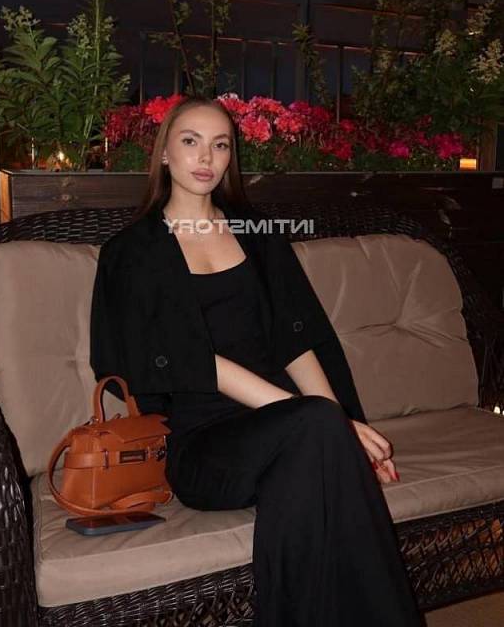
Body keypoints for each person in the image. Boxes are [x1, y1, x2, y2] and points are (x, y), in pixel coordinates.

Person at [90, 96, 424, 627]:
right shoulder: (134, 252)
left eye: (220, 145)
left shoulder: (256, 232)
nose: (206, 157)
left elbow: (298, 339)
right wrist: (333, 426)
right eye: (191, 141)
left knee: (309, 478)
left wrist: (343, 428)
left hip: (288, 426)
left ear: (231, 158)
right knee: (317, 433)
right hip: (204, 444)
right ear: (164, 154)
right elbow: (196, 363)